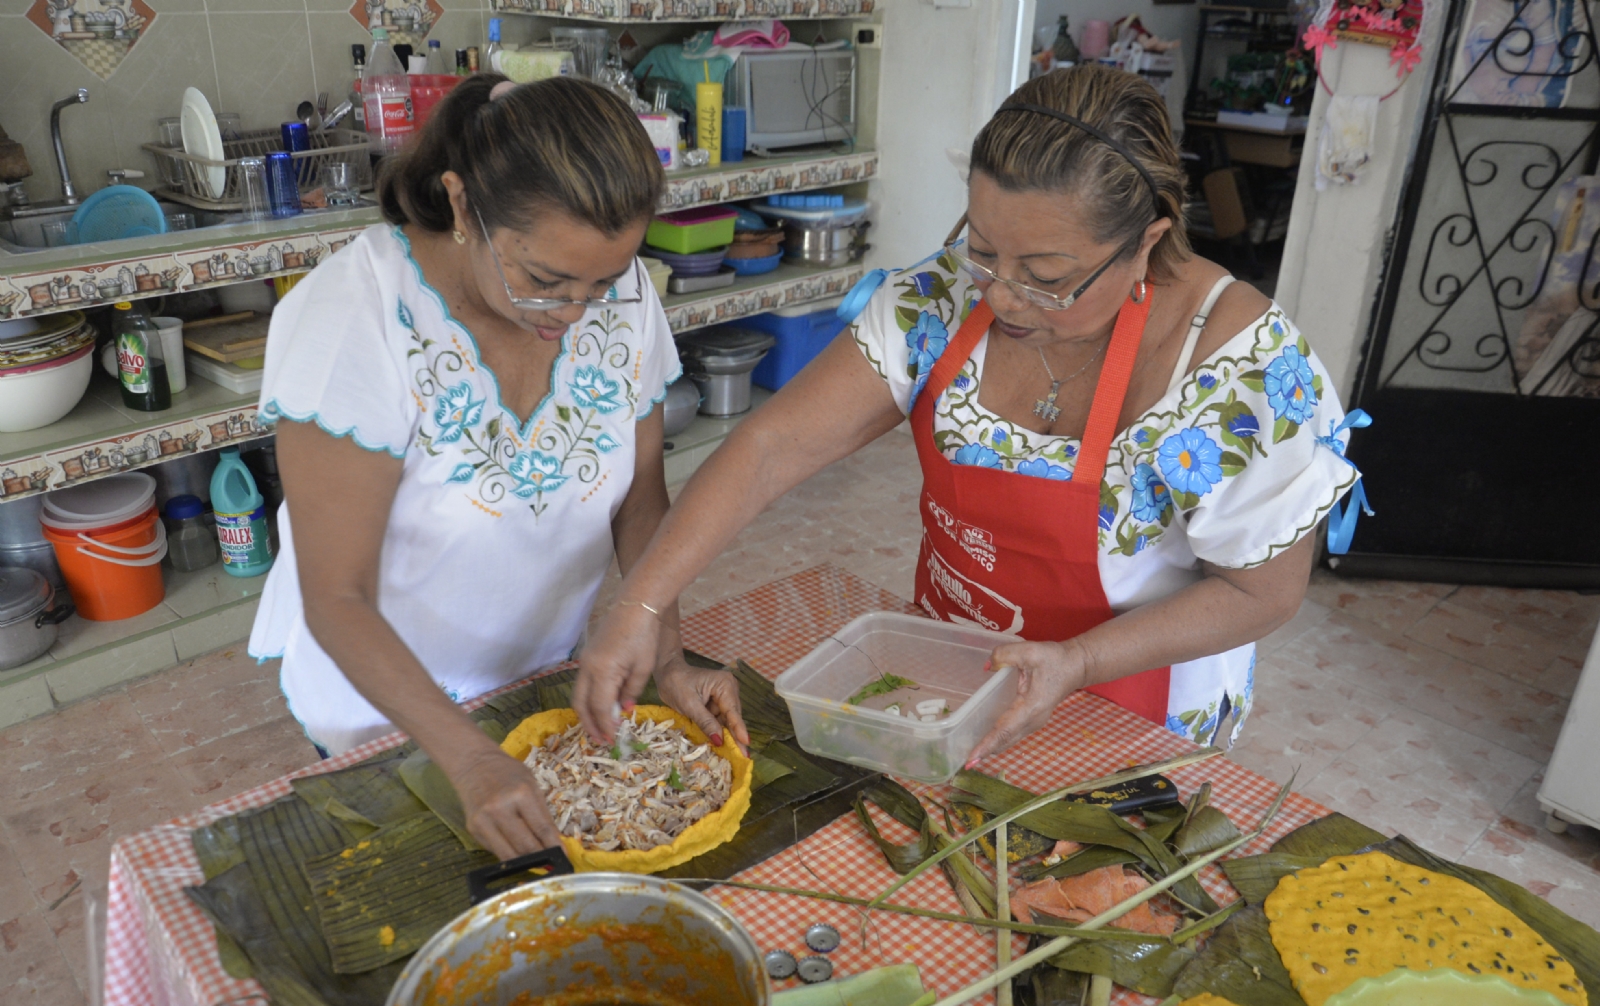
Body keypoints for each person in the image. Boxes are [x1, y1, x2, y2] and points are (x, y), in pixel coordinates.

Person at [574, 65, 1366, 763]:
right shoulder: (944, 296)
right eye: (983, 248)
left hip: (1139, 704)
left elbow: (1262, 593)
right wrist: (639, 606)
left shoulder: (1241, 369)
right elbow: (771, 447)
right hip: (958, 671)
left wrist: (1077, 662)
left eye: (1046, 274)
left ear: (1147, 239)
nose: (998, 295)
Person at [248, 74, 743, 860]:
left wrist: (670, 651)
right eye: (544, 281)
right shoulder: (357, 315)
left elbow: (639, 503)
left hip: (533, 677)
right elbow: (335, 597)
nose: (574, 314)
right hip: (387, 704)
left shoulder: (618, 296)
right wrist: (470, 756)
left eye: (602, 283)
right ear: (461, 203)